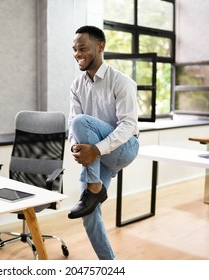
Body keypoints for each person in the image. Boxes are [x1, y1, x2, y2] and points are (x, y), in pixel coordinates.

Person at [67, 25, 140, 260]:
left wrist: (95, 149)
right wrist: (75, 147)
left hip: (124, 149)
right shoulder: (76, 86)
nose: (77, 53)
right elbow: (72, 125)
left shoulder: (122, 82)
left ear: (100, 47)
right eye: (74, 49)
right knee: (88, 212)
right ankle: (109, 265)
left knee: (81, 121)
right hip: (97, 159)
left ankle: (95, 188)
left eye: (82, 48)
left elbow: (128, 126)